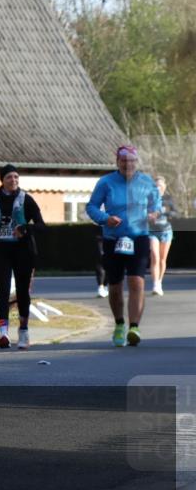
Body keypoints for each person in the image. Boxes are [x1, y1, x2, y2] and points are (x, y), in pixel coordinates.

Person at [86, 146, 161, 347]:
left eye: (132, 160)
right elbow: (91, 206)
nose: (128, 164)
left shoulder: (146, 182)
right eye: (124, 160)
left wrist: (154, 214)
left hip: (139, 238)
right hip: (113, 239)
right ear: (117, 162)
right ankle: (119, 324)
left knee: (137, 282)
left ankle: (134, 327)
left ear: (137, 162)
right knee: (115, 286)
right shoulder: (106, 182)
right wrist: (105, 218)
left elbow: (156, 204)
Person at [0, 165, 45, 350]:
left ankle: (23, 332)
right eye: (9, 177)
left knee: (22, 291)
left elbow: (41, 226)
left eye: (16, 177)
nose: (14, 180)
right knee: (2, 291)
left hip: (23, 250)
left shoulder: (26, 199)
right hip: (0, 250)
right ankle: (3, 334)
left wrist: (25, 228)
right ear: (2, 180)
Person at [148, 175, 176, 296]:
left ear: (164, 186)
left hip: (166, 232)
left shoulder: (168, 199)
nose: (158, 188)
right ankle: (155, 284)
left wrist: (166, 213)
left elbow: (175, 213)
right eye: (156, 186)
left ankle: (159, 282)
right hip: (152, 232)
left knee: (162, 259)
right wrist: (148, 216)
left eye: (160, 185)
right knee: (155, 256)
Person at [94, 225, 109, 298]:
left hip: (113, 236)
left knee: (111, 262)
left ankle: (105, 285)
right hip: (100, 237)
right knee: (100, 260)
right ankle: (101, 286)